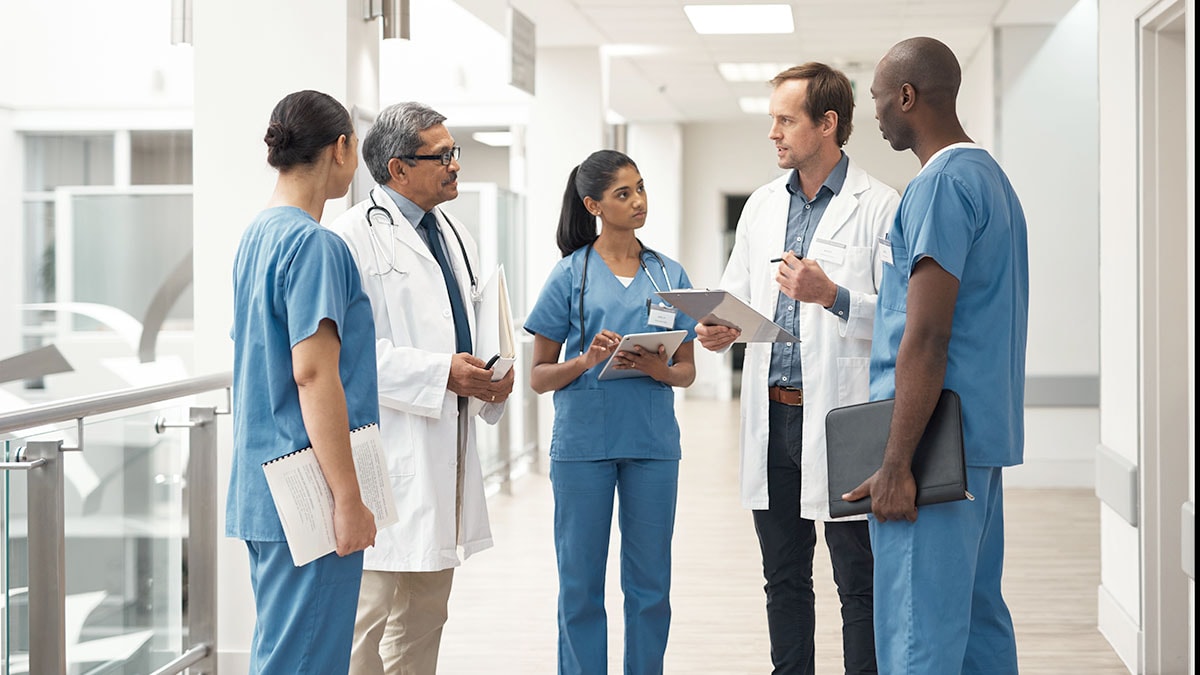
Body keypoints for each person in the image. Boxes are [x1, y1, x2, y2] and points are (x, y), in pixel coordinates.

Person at [694, 63, 899, 674]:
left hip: (843, 423)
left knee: (857, 582)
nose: (773, 133)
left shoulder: (879, 205)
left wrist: (831, 294)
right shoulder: (761, 207)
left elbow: (900, 317)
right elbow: (740, 295)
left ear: (827, 123)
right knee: (783, 579)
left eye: (785, 119)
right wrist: (720, 328)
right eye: (773, 119)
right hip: (774, 419)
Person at [844, 36, 1029, 673]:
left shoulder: (941, 184)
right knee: (975, 628)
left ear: (907, 96)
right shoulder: (991, 179)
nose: (874, 113)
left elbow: (925, 335)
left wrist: (896, 463)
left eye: (876, 98)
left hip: (931, 453)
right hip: (976, 444)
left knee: (919, 636)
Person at [327, 101, 514, 674]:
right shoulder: (350, 237)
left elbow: (471, 320)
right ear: (397, 169)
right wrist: (441, 374)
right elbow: (344, 356)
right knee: (369, 615)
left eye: (454, 152)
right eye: (443, 156)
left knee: (427, 614)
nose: (455, 165)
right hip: (385, 450)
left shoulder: (454, 233)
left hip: (443, 446)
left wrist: (488, 377)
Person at [524, 149, 697, 675]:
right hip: (583, 449)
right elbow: (538, 377)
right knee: (579, 586)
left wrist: (654, 367)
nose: (639, 201)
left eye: (641, 188)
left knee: (650, 587)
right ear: (594, 204)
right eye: (624, 194)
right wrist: (587, 360)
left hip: (651, 446)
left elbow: (686, 369)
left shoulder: (668, 272)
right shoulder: (568, 276)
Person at [228, 89, 379, 673]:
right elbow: (315, 376)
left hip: (264, 485)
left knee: (284, 651)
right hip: (308, 490)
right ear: (340, 149)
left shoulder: (257, 236)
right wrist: (347, 499)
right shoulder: (315, 245)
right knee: (308, 658)